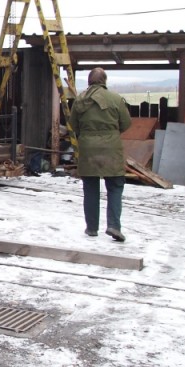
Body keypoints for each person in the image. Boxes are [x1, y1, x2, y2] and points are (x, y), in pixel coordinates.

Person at [70, 67, 132, 242]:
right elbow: (126, 123)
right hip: (111, 148)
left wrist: (88, 134)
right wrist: (110, 133)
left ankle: (91, 228)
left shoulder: (80, 100)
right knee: (115, 186)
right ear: (104, 81)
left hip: (88, 149)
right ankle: (113, 226)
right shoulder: (116, 99)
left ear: (89, 81)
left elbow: (73, 125)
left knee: (90, 188)